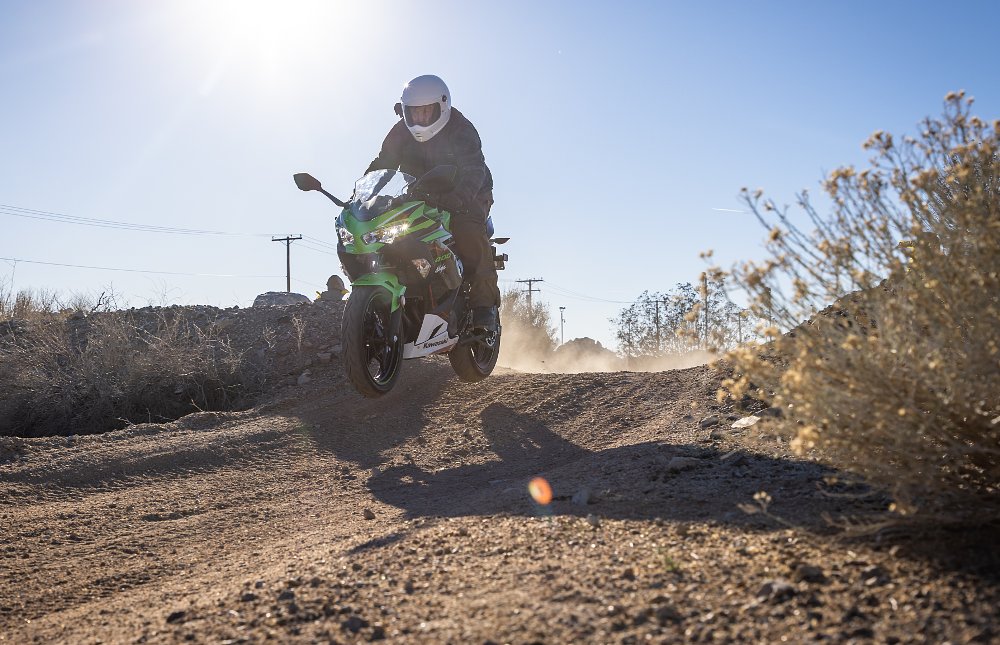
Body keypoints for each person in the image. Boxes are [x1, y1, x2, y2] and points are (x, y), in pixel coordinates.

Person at [363, 74, 500, 332]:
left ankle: (484, 307)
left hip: (469, 192)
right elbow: (383, 163)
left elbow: (474, 169)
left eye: (426, 111)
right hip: (421, 193)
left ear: (442, 106)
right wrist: (364, 195)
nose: (420, 118)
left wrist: (458, 199)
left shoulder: (461, 129)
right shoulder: (400, 131)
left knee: (467, 229)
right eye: (414, 112)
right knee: (390, 230)